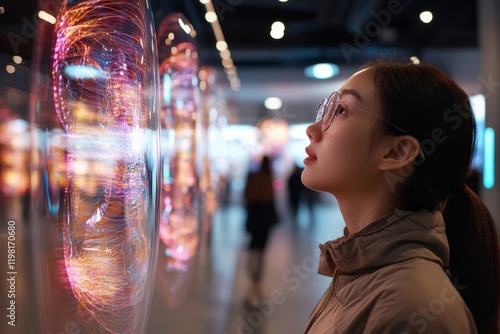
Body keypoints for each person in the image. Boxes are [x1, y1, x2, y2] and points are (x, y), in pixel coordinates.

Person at [301, 60, 500, 333]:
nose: (312, 130)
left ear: (397, 152)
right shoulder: (356, 273)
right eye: (327, 109)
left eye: (341, 111)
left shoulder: (410, 308)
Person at [243, 155, 279, 307]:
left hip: (254, 218)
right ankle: (256, 280)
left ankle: (253, 280)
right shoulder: (269, 178)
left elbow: (247, 197)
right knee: (260, 249)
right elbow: (271, 202)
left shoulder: (253, 176)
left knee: (254, 247)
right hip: (264, 220)